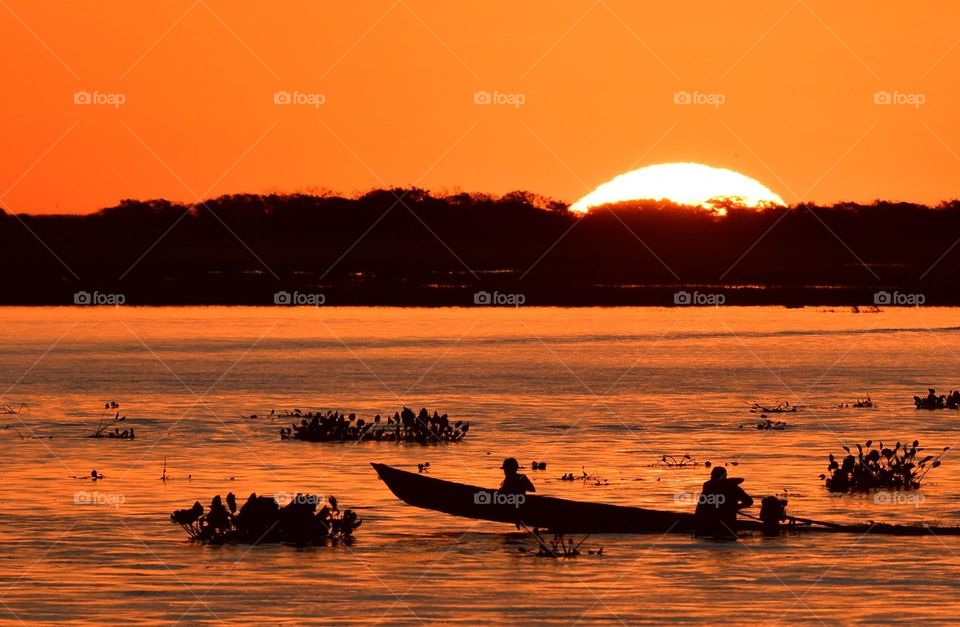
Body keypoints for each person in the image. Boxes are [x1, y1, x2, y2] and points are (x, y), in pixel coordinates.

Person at [694, 466, 754, 540]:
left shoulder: (733, 488)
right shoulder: (709, 487)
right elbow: (701, 506)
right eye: (712, 475)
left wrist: (736, 507)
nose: (711, 477)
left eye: (713, 475)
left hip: (727, 522)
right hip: (714, 522)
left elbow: (749, 501)